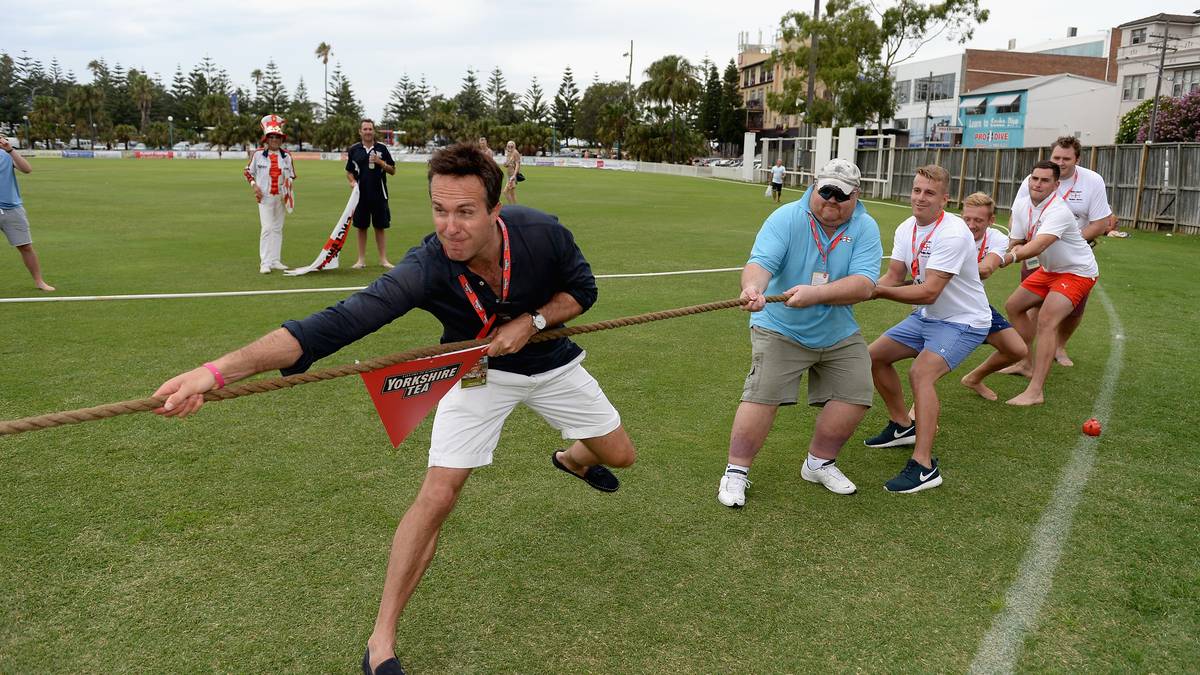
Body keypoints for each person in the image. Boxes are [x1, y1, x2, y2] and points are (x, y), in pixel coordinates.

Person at [151, 142, 636, 675]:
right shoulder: (426, 266)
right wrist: (216, 372)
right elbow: (335, 323)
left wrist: (532, 322)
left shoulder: (542, 232)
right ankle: (381, 639)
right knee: (438, 494)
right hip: (478, 373)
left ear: (495, 210)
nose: (450, 227)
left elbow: (583, 290)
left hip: (551, 362)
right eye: (439, 209)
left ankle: (573, 459)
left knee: (621, 456)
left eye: (465, 212)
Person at [717, 158, 882, 507]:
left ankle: (818, 463)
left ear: (856, 195)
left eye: (842, 195)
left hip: (837, 330)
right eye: (826, 191)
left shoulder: (865, 227)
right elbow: (761, 263)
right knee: (763, 395)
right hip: (779, 327)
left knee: (856, 393)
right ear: (813, 185)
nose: (832, 200)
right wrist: (752, 288)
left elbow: (865, 285)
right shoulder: (787, 217)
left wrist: (816, 295)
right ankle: (736, 472)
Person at [866, 165, 991, 494]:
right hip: (928, 317)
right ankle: (902, 425)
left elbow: (929, 291)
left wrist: (875, 292)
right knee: (873, 357)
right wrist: (860, 288)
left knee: (921, 374)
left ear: (944, 200)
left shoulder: (953, 233)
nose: (920, 198)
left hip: (964, 320)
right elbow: (894, 276)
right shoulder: (906, 227)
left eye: (930, 193)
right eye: (917, 190)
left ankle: (923, 466)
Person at [1006, 136, 1112, 369]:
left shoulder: (1092, 181)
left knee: (1071, 311)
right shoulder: (1034, 179)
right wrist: (1021, 243)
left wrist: (1064, 240)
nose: (1061, 162)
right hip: (1035, 254)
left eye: (1066, 158)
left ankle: (1058, 347)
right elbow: (1018, 215)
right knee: (1026, 305)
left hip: (1073, 258)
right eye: (1056, 157)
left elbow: (1100, 223)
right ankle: (1025, 359)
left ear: (1077, 160)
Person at [999, 160, 1099, 407]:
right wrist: (1005, 251)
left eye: (1045, 180)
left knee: (1046, 320)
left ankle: (1035, 391)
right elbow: (1017, 240)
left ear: (1056, 185)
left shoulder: (1059, 210)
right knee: (1013, 306)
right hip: (1050, 270)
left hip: (1078, 272)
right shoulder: (1022, 205)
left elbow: (1039, 244)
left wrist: (1008, 258)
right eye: (1034, 178)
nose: (1038, 184)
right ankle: (1025, 362)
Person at [956, 192, 1029, 401]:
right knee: (932, 361)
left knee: (1017, 350)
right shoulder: (951, 233)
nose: (971, 225)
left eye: (978, 220)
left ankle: (973, 378)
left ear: (991, 220)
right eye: (967, 219)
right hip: (942, 303)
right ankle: (914, 412)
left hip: (975, 304)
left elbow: (987, 269)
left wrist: (951, 266)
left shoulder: (997, 238)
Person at [0, 134, 54, 291]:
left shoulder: (6, 154)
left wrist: (10, 150)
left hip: (12, 207)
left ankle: (39, 282)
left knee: (25, 246)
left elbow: (27, 169)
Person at [244, 114, 296, 274]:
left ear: (281, 139)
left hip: (281, 198)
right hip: (264, 197)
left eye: (277, 137)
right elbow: (248, 172)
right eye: (271, 137)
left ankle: (275, 260)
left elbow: (291, 175)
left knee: (277, 228)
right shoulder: (258, 154)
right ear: (266, 139)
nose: (274, 140)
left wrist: (288, 190)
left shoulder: (287, 156)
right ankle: (265, 262)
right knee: (267, 228)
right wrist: (254, 186)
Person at [346, 119, 397, 269]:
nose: (368, 132)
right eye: (365, 129)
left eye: (370, 129)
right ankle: (361, 260)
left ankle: (383, 259)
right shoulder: (354, 150)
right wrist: (352, 182)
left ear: (374, 131)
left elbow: (393, 170)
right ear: (360, 131)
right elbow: (349, 172)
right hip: (361, 196)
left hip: (379, 194)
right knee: (361, 227)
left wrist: (381, 163)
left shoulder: (382, 148)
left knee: (380, 226)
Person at [503, 140, 521, 205]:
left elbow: (518, 165)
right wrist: (506, 164)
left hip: (512, 176)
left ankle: (512, 206)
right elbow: (508, 164)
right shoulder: (508, 153)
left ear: (514, 146)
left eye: (511, 146)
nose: (510, 147)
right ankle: (514, 207)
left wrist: (514, 175)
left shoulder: (515, 153)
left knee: (506, 192)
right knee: (512, 193)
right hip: (509, 175)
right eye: (508, 146)